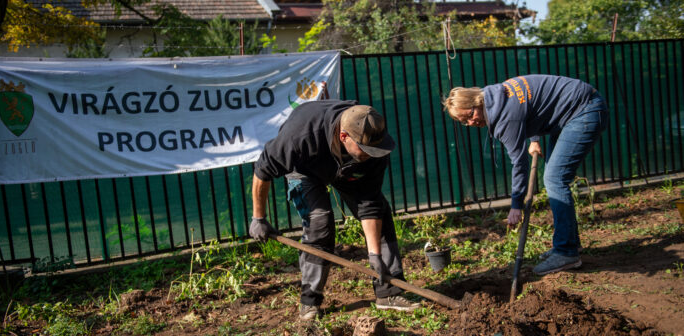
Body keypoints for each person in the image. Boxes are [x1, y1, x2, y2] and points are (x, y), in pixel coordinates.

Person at [249, 100, 420, 321]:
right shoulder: (300, 136)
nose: (372, 153)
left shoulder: (374, 147)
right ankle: (309, 302)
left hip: (349, 169)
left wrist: (374, 254)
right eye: (365, 149)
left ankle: (388, 291)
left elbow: (368, 202)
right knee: (319, 221)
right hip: (305, 168)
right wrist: (258, 217)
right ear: (344, 136)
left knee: (381, 214)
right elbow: (263, 171)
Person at [443, 75, 609, 275]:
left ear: (476, 102)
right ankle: (569, 244)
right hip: (574, 107)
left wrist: (516, 205)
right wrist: (535, 138)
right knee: (554, 177)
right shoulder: (497, 95)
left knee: (555, 178)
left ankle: (567, 252)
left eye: (469, 116)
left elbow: (519, 163)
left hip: (583, 110)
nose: (470, 123)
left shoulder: (505, 117)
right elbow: (532, 104)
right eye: (464, 122)